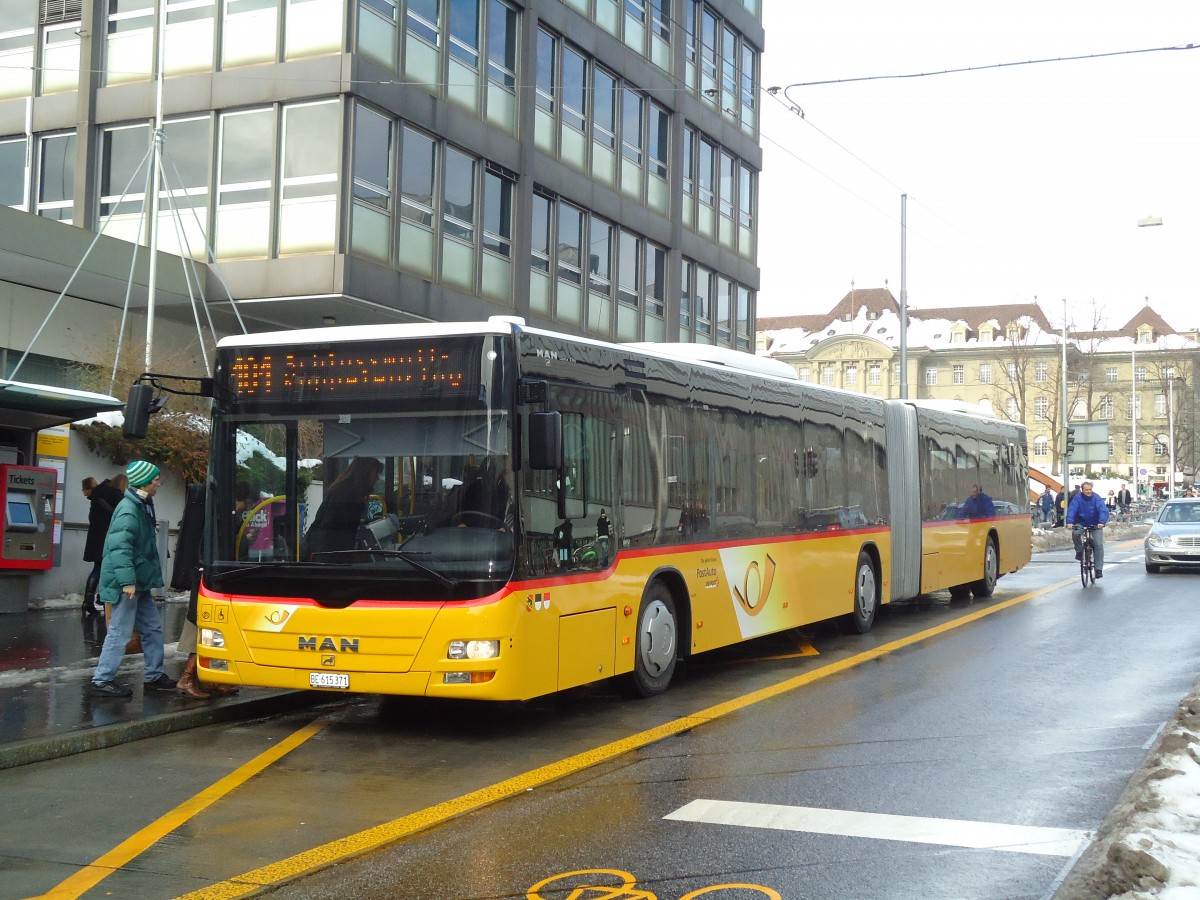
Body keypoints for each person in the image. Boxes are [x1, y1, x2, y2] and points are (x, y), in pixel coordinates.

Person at [89, 460, 174, 698]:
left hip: (138, 581)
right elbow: (120, 548)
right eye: (155, 481)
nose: (158, 484)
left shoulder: (142, 504)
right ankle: (102, 680)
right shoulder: (129, 510)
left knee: (152, 628)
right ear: (144, 483)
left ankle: (154, 676)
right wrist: (127, 582)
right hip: (127, 583)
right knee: (120, 631)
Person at [304, 457, 383, 558]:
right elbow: (335, 524)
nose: (377, 478)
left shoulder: (345, 489)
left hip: (330, 549)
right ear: (366, 473)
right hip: (332, 551)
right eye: (375, 473)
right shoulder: (347, 494)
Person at [82, 473, 127, 617]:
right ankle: (97, 599)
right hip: (108, 538)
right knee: (105, 568)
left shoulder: (98, 494)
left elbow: (92, 517)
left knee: (99, 567)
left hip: (97, 538)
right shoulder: (113, 494)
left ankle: (91, 600)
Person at [1066, 480, 1110, 579]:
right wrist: (1070, 522)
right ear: (1082, 490)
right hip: (1081, 522)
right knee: (1076, 533)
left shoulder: (1096, 498)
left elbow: (1103, 510)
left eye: (1090, 489)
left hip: (1096, 523)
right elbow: (1072, 510)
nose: (1089, 491)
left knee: (1098, 544)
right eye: (1086, 490)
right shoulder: (1077, 498)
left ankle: (1098, 569)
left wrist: (1101, 522)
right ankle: (1079, 551)